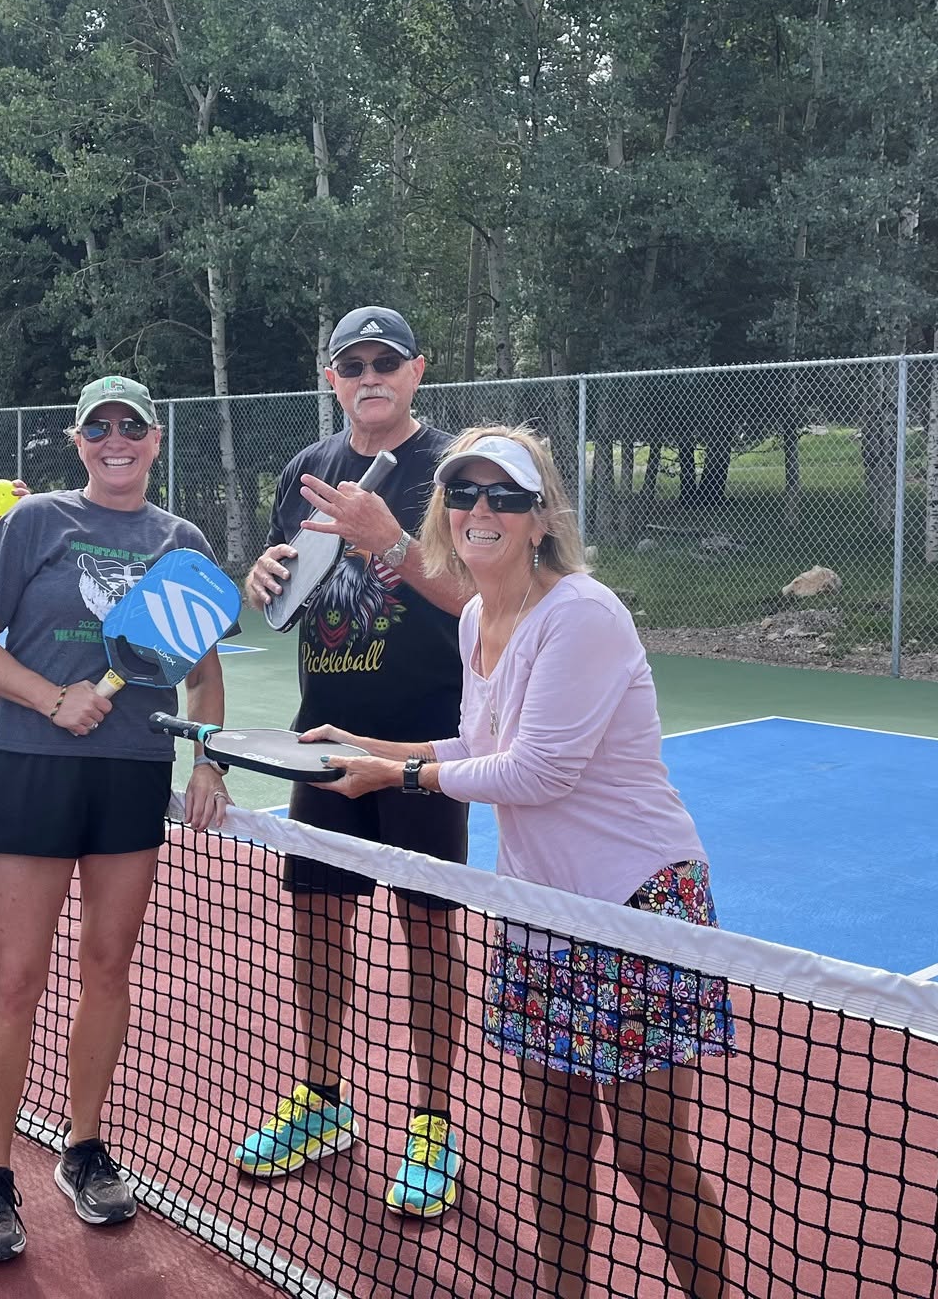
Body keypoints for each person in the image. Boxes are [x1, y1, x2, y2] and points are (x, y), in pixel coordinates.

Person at [306, 426, 734, 1299]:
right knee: (555, 1136)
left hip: (638, 905)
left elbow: (538, 771)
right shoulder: (475, 619)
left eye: (505, 496)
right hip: (541, 913)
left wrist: (399, 772)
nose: (481, 510)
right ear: (445, 511)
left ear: (541, 519)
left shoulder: (582, 612)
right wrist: (368, 744)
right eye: (464, 493)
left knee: (649, 1158)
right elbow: (477, 742)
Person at [0, 374, 229, 1267]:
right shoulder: (34, 524)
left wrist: (209, 758)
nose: (118, 440)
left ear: (154, 440)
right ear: (79, 440)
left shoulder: (179, 542)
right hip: (34, 768)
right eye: (100, 428)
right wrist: (49, 697)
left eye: (133, 428)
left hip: (133, 775)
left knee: (108, 968)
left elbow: (202, 674)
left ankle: (82, 1147)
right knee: (19, 977)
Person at [232, 305, 473, 1218]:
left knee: (427, 929)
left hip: (421, 745)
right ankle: (325, 1102)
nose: (369, 375)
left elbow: (478, 601)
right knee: (318, 920)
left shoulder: (456, 473)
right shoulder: (305, 469)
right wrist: (263, 581)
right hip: (321, 743)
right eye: (351, 363)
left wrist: (390, 540)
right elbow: (289, 592)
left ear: (417, 371)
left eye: (386, 361)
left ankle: (432, 1122)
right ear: (332, 377)